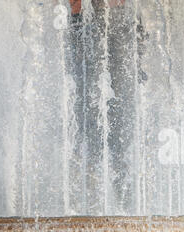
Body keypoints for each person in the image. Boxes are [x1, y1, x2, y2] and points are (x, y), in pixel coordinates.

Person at [67, 0, 142, 214]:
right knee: (86, 131)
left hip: (116, 26)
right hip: (84, 26)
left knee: (119, 131)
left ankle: (126, 207)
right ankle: (90, 210)